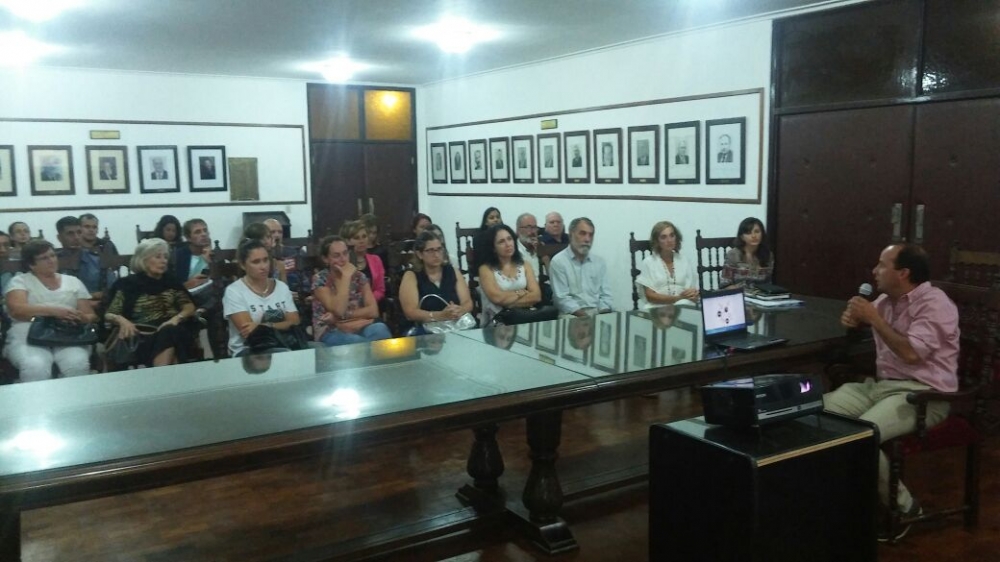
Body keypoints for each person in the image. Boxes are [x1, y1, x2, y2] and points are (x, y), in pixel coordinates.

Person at [823, 243, 959, 541]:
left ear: (903, 273)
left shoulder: (935, 305)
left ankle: (907, 508)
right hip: (883, 387)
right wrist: (854, 320)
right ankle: (839, 502)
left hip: (925, 395)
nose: (875, 270)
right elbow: (869, 327)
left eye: (882, 265)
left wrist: (873, 318)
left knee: (861, 436)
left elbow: (911, 353)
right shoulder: (887, 300)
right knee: (817, 416)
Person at [3, 240, 96, 382]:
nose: (51, 260)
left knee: (77, 363)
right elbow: (16, 310)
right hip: (27, 333)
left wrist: (79, 317)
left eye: (52, 255)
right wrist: (54, 311)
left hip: (68, 334)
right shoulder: (20, 281)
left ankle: (74, 402)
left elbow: (90, 315)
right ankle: (38, 404)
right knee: (35, 365)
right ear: (31, 264)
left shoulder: (73, 281)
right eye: (44, 258)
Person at [103, 238, 198, 367]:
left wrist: (176, 319)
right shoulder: (127, 284)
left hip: (173, 328)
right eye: (158, 257)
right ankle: (168, 379)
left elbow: (189, 306)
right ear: (144, 259)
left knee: (170, 332)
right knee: (171, 339)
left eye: (165, 257)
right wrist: (123, 321)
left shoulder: (171, 281)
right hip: (142, 336)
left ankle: (160, 378)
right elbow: (110, 314)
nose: (163, 260)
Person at [223, 239, 301, 357]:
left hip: (284, 342)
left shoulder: (281, 287)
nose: (263, 266)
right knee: (286, 356)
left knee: (319, 349)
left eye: (266, 260)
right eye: (256, 262)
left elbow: (294, 321)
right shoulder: (234, 291)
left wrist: (265, 326)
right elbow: (250, 332)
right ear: (243, 265)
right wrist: (282, 321)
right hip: (248, 349)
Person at [311, 235, 391, 346]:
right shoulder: (320, 279)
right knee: (358, 343)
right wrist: (346, 277)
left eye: (345, 253)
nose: (343, 259)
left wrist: (343, 318)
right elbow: (339, 310)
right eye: (336, 256)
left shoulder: (359, 276)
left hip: (359, 324)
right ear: (326, 259)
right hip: (330, 330)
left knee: (380, 329)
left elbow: (373, 311)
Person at [399, 230, 473, 333]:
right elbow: (410, 313)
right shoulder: (411, 276)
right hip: (424, 327)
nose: (436, 254)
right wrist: (439, 316)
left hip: (453, 324)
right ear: (420, 254)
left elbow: (468, 302)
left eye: (439, 249)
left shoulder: (452, 271)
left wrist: (460, 310)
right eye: (430, 250)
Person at [477, 224, 541, 326]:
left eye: (509, 239)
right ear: (493, 248)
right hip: (496, 321)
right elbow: (497, 298)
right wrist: (521, 292)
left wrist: (507, 302)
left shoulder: (525, 265)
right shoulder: (485, 269)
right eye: (501, 242)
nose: (508, 244)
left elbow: (536, 296)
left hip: (524, 317)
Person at [549, 217, 613, 317]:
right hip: (571, 314)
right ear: (571, 235)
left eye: (591, 235)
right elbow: (561, 299)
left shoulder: (599, 262)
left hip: (597, 312)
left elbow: (606, 295)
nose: (587, 239)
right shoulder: (559, 262)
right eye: (582, 233)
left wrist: (603, 315)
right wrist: (585, 317)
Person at [636, 221, 699, 307]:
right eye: (663, 237)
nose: (669, 240)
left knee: (686, 304)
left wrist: (693, 294)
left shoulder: (684, 260)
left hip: (683, 305)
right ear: (657, 241)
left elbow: (691, 290)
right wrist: (677, 298)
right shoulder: (648, 262)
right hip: (657, 306)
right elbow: (650, 296)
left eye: (672, 235)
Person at [720, 217, 775, 289]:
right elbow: (725, 285)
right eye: (748, 233)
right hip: (739, 294)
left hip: (761, 296)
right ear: (742, 237)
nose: (754, 236)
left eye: (757, 231)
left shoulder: (768, 255)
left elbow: (768, 283)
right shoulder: (733, 255)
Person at [340, 220, 385, 304]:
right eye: (356, 238)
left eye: (364, 236)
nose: (362, 241)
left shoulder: (376, 260)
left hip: (371, 305)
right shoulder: (342, 262)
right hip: (347, 307)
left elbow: (380, 290)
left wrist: (367, 301)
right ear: (347, 241)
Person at [472, 207, 503, 274]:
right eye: (491, 218)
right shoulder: (479, 237)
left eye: (498, 217)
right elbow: (481, 260)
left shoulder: (505, 234)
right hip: (486, 270)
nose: (496, 220)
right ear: (486, 222)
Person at [515, 213, 541, 281]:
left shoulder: (540, 248)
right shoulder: (513, 251)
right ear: (518, 230)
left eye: (534, 227)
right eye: (528, 227)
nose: (532, 232)